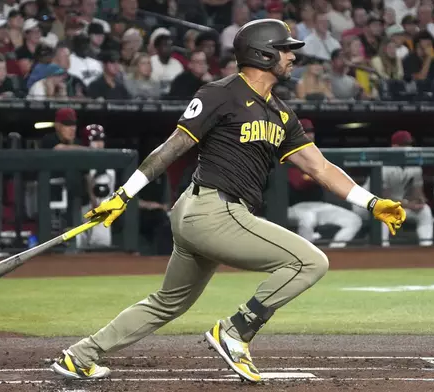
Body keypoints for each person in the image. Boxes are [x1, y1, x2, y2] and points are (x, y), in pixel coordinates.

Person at [52, 19, 406, 383]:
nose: (292, 57)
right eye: (286, 50)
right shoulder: (221, 92)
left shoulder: (281, 113)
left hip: (203, 214)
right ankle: (236, 331)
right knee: (310, 262)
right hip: (212, 210)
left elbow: (319, 167)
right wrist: (124, 193)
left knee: (168, 302)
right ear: (263, 53)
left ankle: (80, 356)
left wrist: (371, 202)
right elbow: (173, 146)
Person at [287, 119, 362, 247]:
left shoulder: (319, 155)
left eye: (311, 132)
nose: (309, 135)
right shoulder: (288, 153)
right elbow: (299, 183)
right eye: (305, 132)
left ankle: (335, 252)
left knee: (354, 220)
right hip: (295, 207)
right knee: (308, 219)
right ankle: (307, 256)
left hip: (319, 205)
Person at [355, 130, 434, 247]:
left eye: (409, 145)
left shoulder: (414, 165)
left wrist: (420, 201)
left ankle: (427, 246)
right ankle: (382, 249)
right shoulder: (383, 165)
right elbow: (384, 197)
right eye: (404, 145)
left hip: (398, 205)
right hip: (366, 206)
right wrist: (409, 205)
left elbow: (417, 191)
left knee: (425, 211)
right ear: (394, 147)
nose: (408, 148)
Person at [77, 124, 115, 249]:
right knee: (78, 247)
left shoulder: (110, 164)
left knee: (101, 245)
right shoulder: (79, 163)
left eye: (101, 140)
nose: (99, 144)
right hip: (82, 209)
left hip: (102, 210)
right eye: (94, 140)